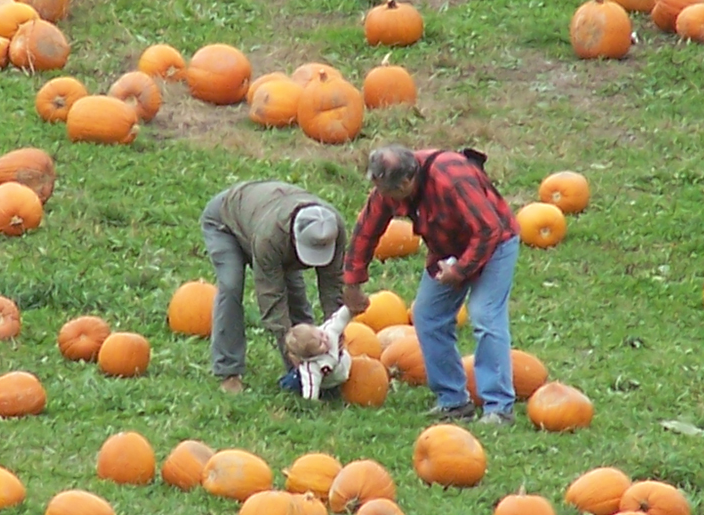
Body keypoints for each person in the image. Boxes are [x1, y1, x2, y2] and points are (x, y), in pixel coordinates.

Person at [342, 144, 520, 424]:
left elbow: (489, 229)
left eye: (390, 192)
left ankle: (499, 407)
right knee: (427, 315)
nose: (384, 198)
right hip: (448, 247)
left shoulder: (452, 178)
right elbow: (366, 230)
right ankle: (453, 402)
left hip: (495, 242)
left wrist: (460, 271)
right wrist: (352, 282)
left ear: (407, 181)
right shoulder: (387, 188)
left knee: (485, 314)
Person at [200, 180, 347, 394]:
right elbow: (272, 300)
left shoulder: (334, 227)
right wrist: (293, 355)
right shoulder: (271, 237)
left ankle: (315, 371)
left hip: (263, 218)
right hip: (226, 222)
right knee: (231, 285)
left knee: (296, 296)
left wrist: (334, 339)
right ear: (295, 239)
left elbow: (332, 284)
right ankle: (228, 371)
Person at [279, 305, 352, 400]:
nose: (325, 339)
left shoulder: (329, 331)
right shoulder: (311, 367)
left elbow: (340, 318)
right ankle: (284, 383)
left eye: (321, 334)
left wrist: (351, 307)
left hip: (340, 368)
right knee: (295, 383)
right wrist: (311, 402)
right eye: (320, 344)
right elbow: (310, 387)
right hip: (327, 382)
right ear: (311, 355)